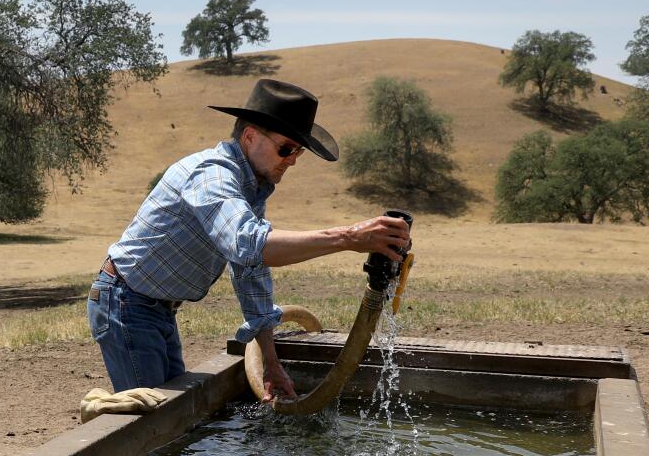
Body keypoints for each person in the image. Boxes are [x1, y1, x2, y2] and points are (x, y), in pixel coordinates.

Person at [89, 78, 412, 402]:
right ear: (250, 136)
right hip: (126, 301)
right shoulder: (213, 175)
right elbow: (247, 243)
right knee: (150, 420)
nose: (293, 159)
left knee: (171, 411)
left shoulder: (249, 189)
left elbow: (250, 273)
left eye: (298, 151)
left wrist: (271, 364)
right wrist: (348, 237)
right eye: (285, 148)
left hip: (152, 306)